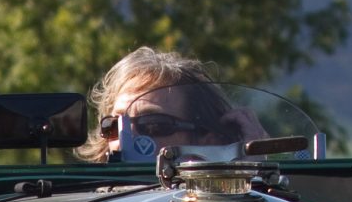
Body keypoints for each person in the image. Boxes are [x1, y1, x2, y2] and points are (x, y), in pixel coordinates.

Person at [78, 47, 263, 162]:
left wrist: (254, 171)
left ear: (208, 140)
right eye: (113, 126)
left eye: (153, 125)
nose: (124, 137)